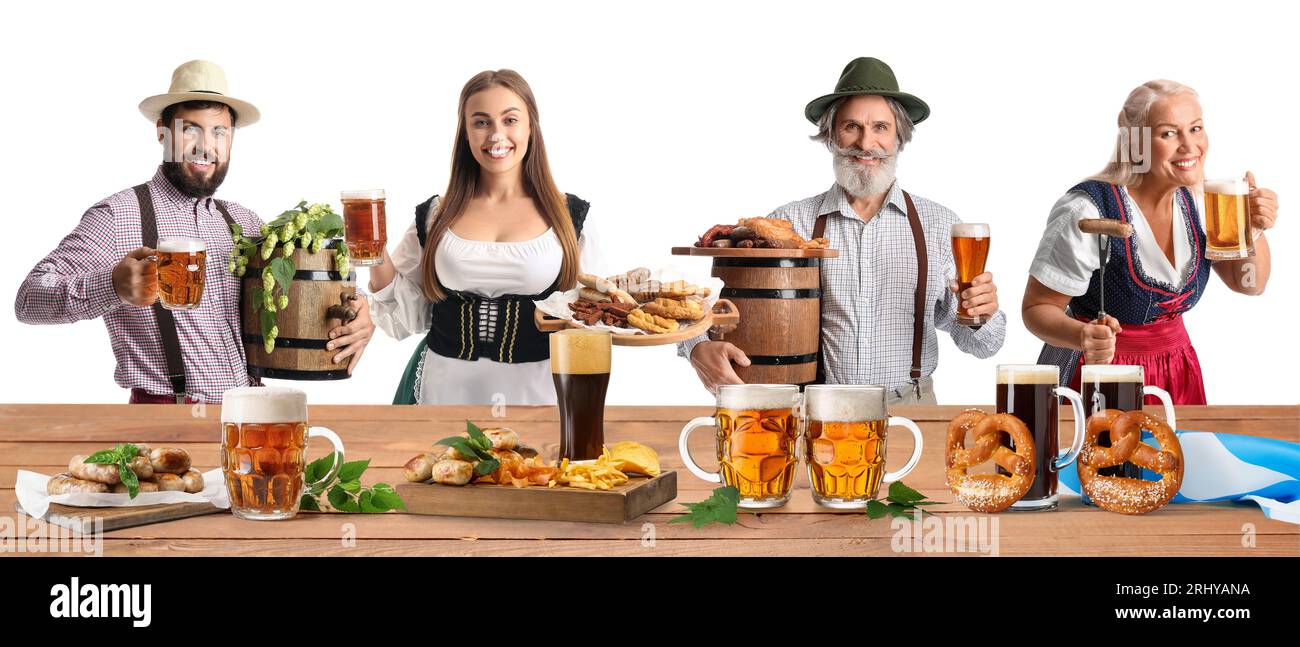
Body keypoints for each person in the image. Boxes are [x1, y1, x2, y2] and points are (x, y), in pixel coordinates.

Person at [14, 60, 375, 403]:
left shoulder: (244, 223)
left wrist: (358, 312)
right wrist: (111, 286)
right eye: (190, 130)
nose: (206, 145)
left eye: (219, 131)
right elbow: (28, 300)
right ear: (162, 133)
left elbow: (304, 290)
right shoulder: (118, 215)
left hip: (249, 415)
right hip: (163, 420)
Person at [681, 57, 1005, 403]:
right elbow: (718, 308)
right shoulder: (789, 224)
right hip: (812, 412)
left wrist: (982, 315)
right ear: (832, 136)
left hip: (911, 411)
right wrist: (697, 348)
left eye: (881, 127)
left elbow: (981, 346)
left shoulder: (939, 225)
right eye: (852, 126)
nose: (866, 144)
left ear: (900, 136)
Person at [1023, 80, 1278, 404]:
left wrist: (1253, 229)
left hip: (1177, 371)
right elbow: (1037, 308)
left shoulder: (1203, 201)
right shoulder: (1087, 209)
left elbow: (1249, 285)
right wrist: (1083, 336)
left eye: (1196, 128)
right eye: (1169, 133)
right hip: (1097, 374)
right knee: (1094, 455)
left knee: (1178, 454)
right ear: (1135, 141)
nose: (1190, 146)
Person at [369, 69, 604, 405]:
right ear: (465, 133)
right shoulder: (436, 214)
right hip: (445, 388)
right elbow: (407, 318)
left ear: (530, 127)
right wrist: (372, 250)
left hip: (539, 394)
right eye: (481, 122)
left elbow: (594, 321)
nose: (496, 134)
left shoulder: (569, 216)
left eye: (510, 120)